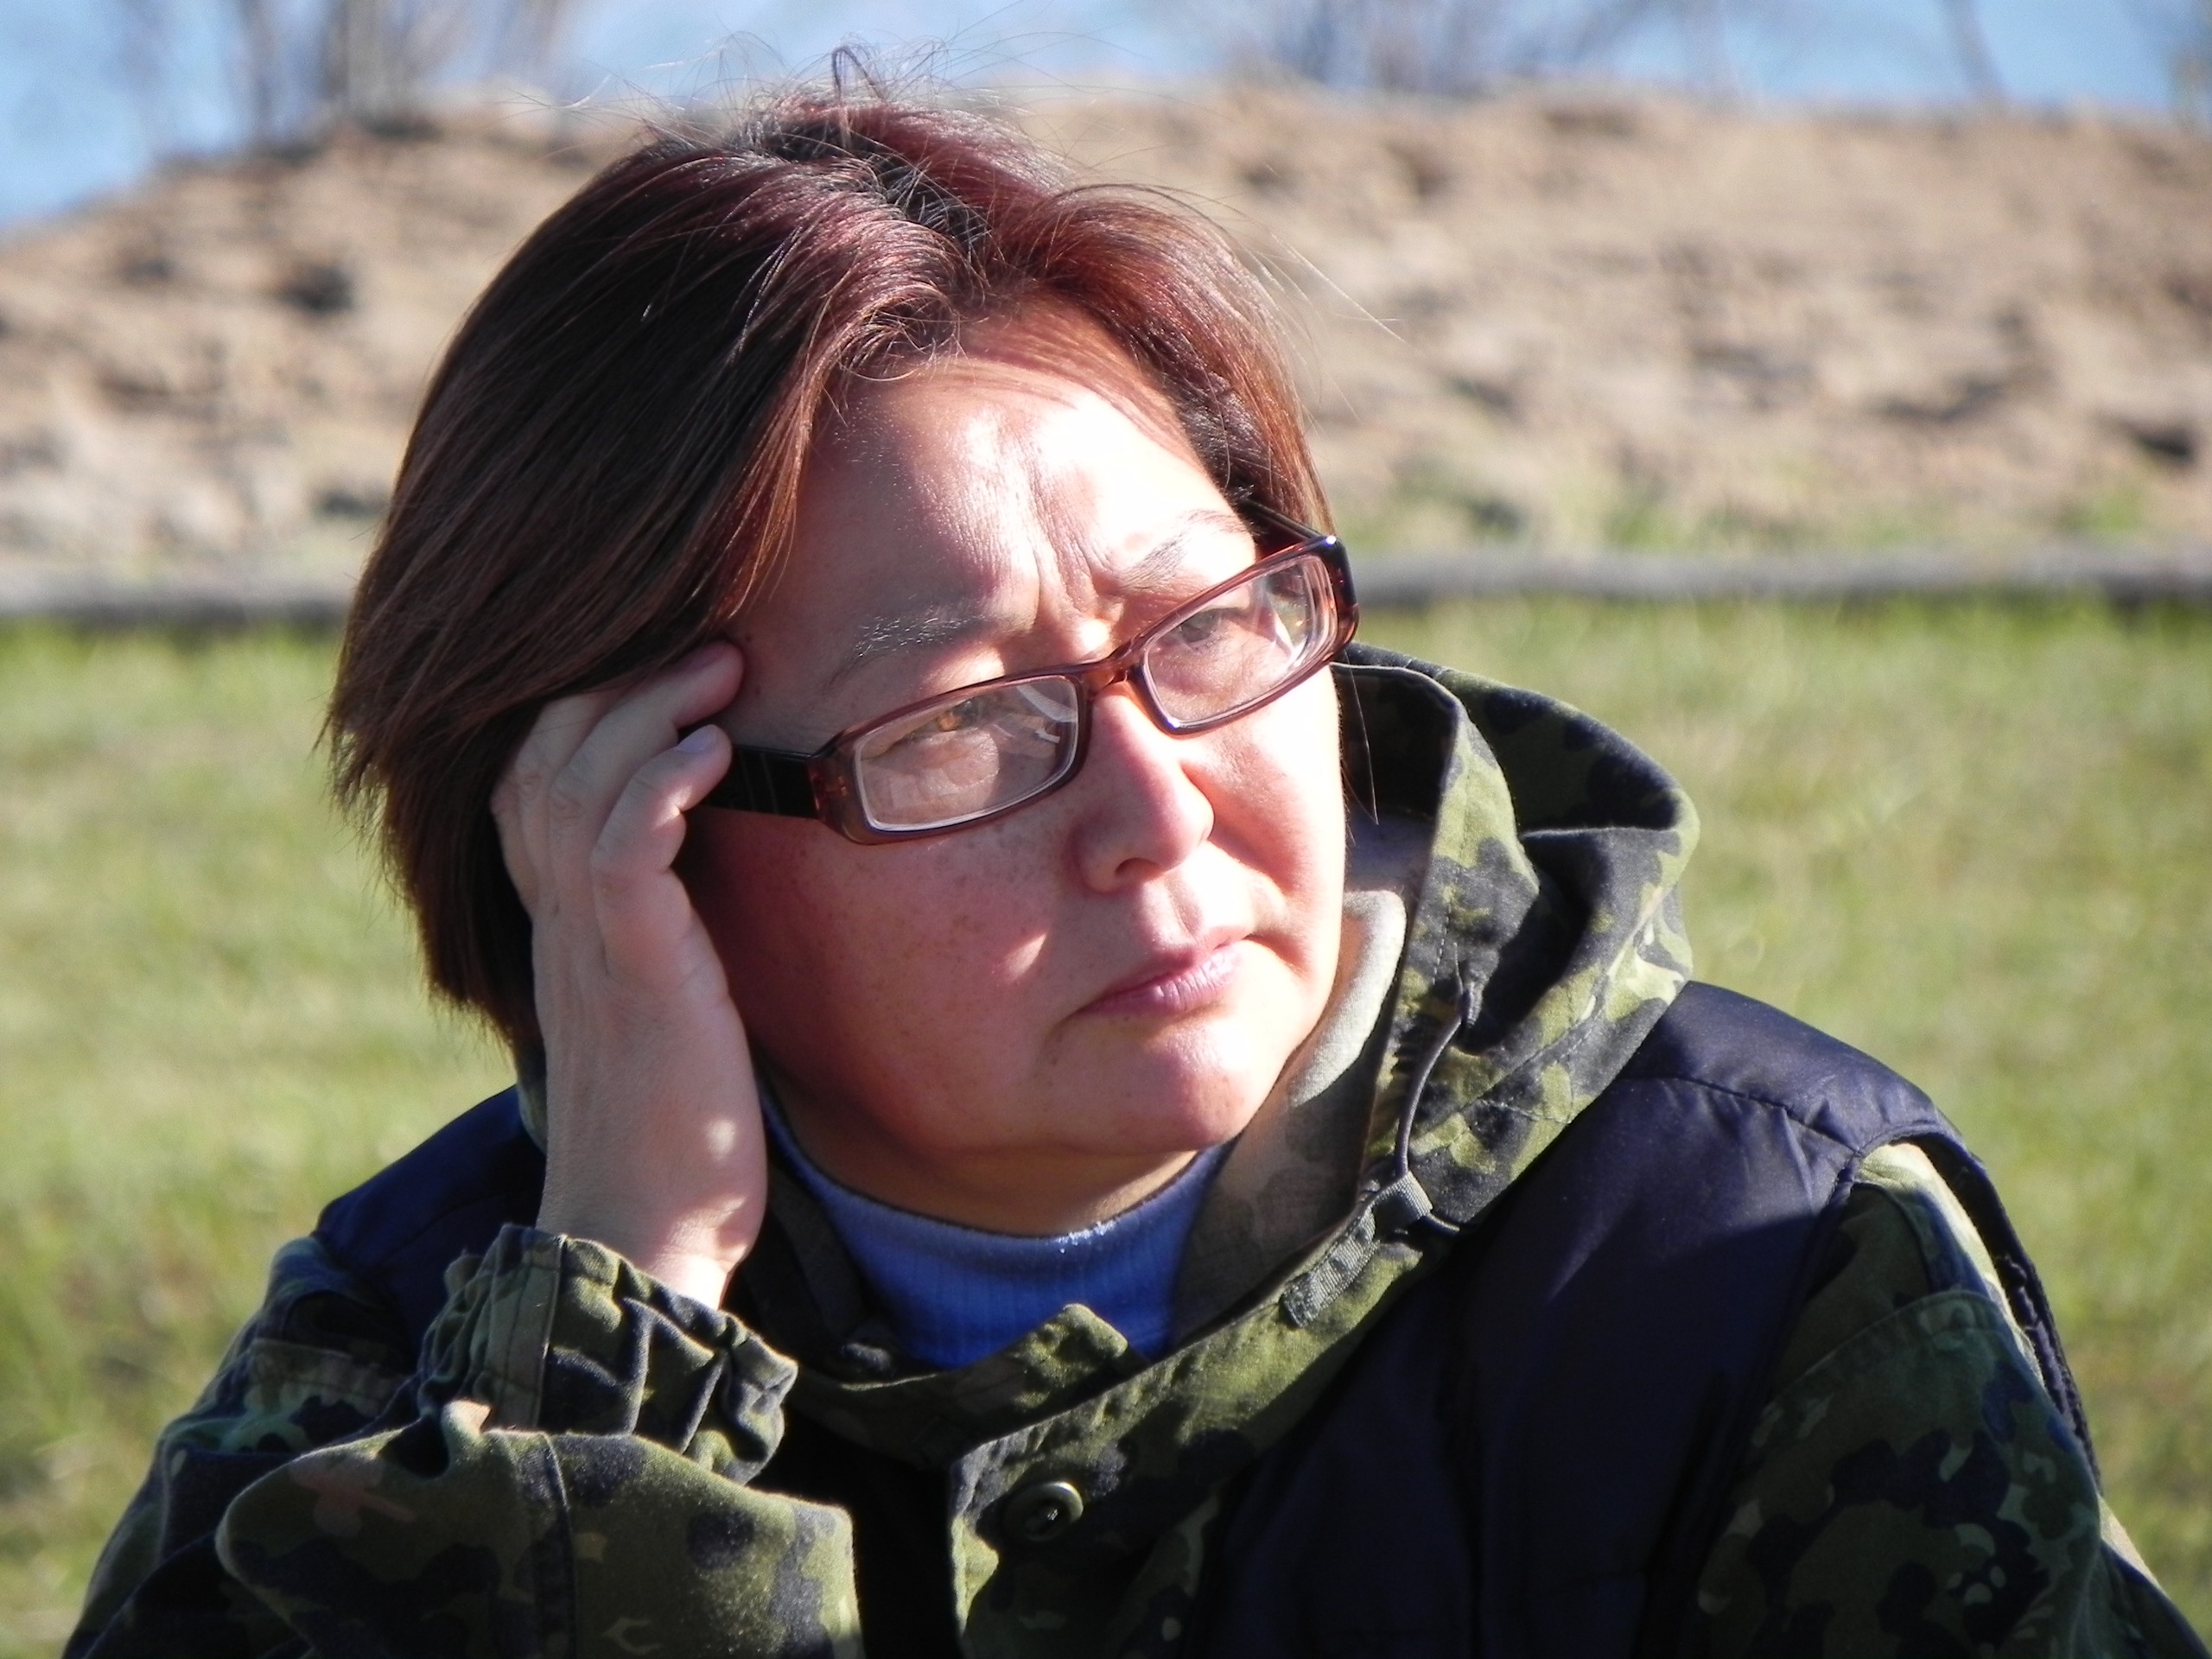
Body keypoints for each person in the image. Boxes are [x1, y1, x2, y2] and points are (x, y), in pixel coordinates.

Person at [69, 92, 2207, 1659]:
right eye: (960, 731)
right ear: (617, 833)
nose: (1159, 812)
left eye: (1206, 629)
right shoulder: (415, 1364)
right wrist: (613, 1363)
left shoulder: (1752, 1273)